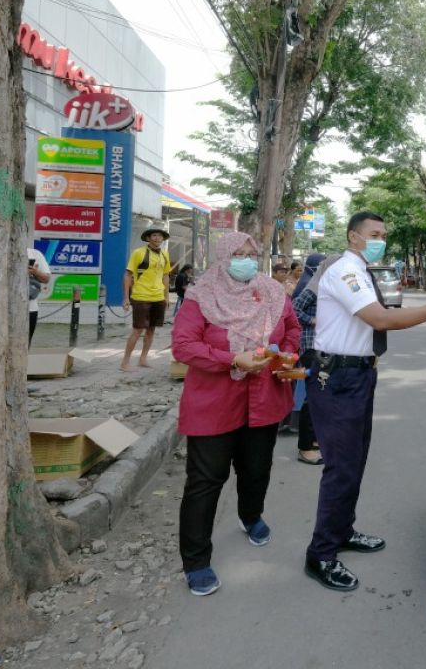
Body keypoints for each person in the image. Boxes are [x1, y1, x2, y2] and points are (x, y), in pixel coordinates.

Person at [303, 211, 426, 592]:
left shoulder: (362, 270)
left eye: (384, 234)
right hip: (338, 377)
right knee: (341, 467)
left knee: (355, 460)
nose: (381, 239)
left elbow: (380, 316)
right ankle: (321, 554)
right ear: (353, 237)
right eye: (374, 234)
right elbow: (380, 319)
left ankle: (342, 530)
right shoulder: (345, 271)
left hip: (359, 373)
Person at [171, 232, 302, 597]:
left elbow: (292, 327)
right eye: (237, 254)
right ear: (222, 257)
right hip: (214, 403)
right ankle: (196, 561)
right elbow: (183, 346)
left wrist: (287, 353)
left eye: (250, 254)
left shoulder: (272, 292)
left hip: (264, 398)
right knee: (205, 480)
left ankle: (251, 515)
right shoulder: (202, 296)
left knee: (257, 467)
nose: (245, 260)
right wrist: (232, 359)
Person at [280, 252, 330, 463]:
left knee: (322, 393)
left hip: (320, 345)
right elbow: (293, 309)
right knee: (315, 395)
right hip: (310, 346)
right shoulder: (312, 286)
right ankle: (305, 447)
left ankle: (315, 439)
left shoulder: (320, 283)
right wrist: (313, 320)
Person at [121, 228, 173, 371]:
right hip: (140, 296)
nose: (157, 238)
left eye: (160, 236)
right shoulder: (139, 253)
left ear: (163, 239)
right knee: (137, 330)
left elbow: (166, 276)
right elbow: (127, 274)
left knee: (151, 330)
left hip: (158, 297)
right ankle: (125, 362)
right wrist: (126, 297)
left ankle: (143, 359)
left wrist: (166, 297)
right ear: (148, 238)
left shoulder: (165, 254)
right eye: (154, 235)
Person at [27, 247, 52, 347]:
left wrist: (35, 272)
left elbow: (46, 278)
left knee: (25, 344)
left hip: (30, 309)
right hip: (2, 308)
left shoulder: (35, 254)